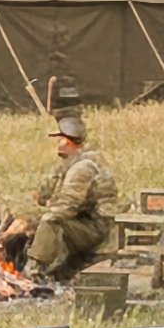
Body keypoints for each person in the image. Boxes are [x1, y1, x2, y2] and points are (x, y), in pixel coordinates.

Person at [25, 114, 119, 281]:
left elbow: (67, 208)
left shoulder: (82, 168)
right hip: (83, 223)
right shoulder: (68, 165)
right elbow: (43, 195)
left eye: (60, 140)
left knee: (49, 222)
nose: (57, 145)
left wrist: (41, 217)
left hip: (95, 229)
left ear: (68, 142)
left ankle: (33, 271)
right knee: (35, 221)